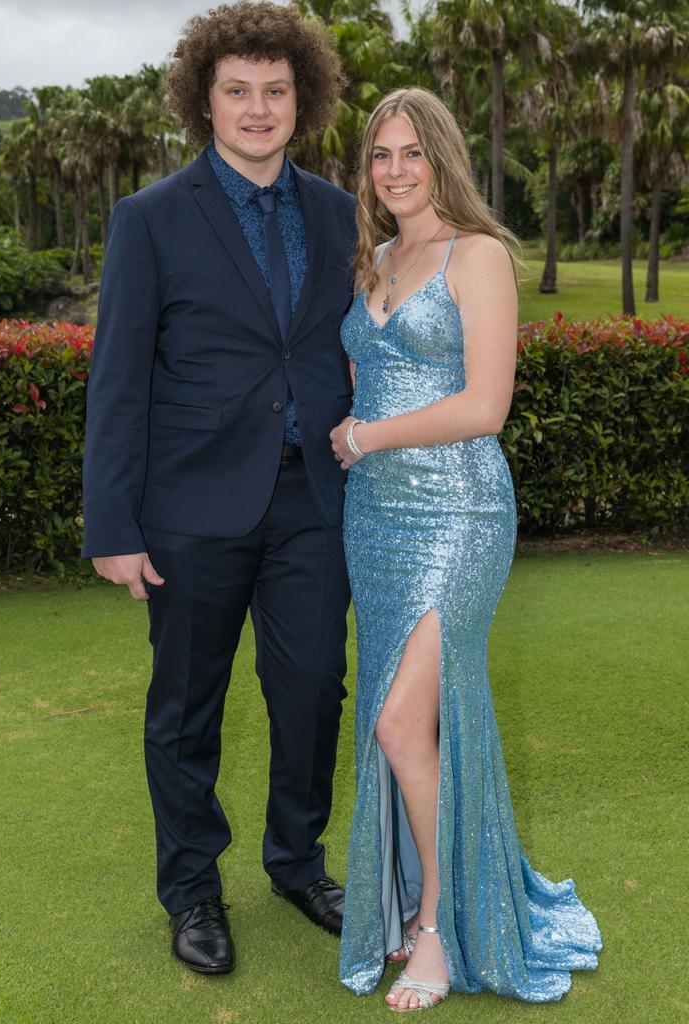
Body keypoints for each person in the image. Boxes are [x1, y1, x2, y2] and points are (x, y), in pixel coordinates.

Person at [82, 2, 356, 977]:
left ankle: (296, 861)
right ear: (205, 100)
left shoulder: (339, 212)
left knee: (313, 691)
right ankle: (193, 887)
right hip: (189, 508)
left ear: (302, 99)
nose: (257, 108)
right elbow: (118, 377)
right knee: (187, 709)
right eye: (237, 91)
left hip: (313, 504)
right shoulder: (149, 219)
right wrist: (111, 523)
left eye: (275, 91)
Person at [330, 88, 602, 1011]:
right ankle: (424, 907)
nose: (396, 171)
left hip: (459, 514)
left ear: (443, 157)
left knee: (401, 723)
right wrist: (356, 430)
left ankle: (440, 930)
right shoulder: (376, 258)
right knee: (402, 718)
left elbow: (485, 406)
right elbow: (374, 377)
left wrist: (367, 437)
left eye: (413, 153)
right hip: (374, 518)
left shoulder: (477, 255)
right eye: (380, 156)